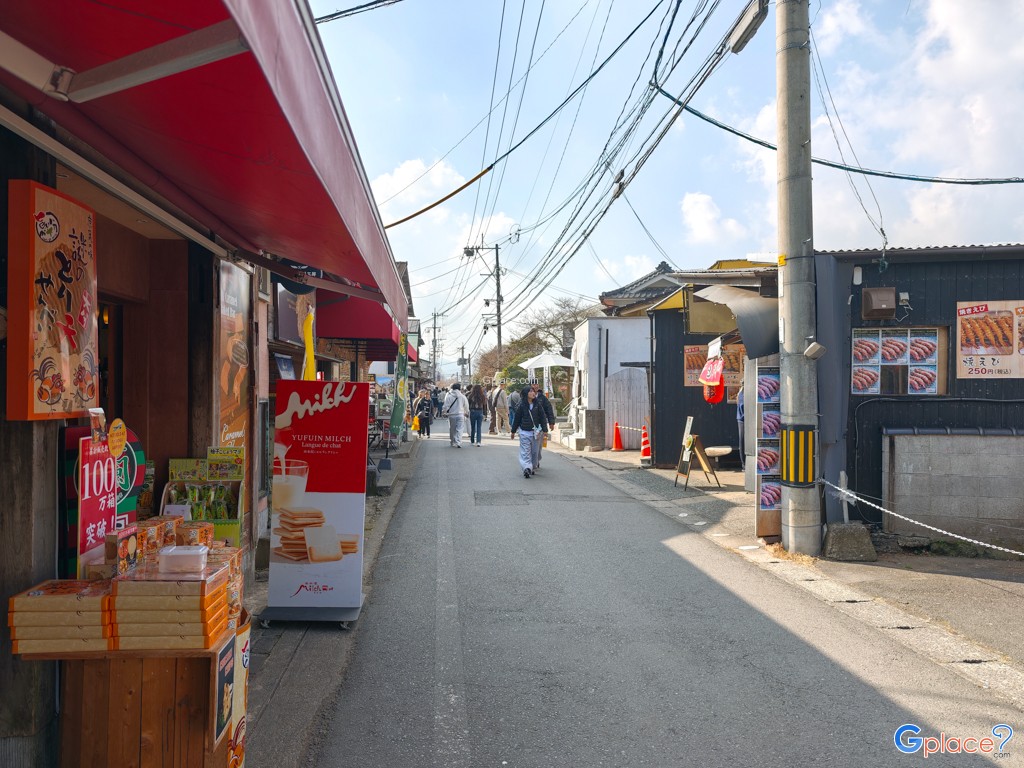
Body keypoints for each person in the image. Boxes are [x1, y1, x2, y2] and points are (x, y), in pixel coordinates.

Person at [510, 385, 548, 478]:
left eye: (533, 391)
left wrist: (545, 430)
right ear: (526, 394)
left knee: (535, 453)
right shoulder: (521, 405)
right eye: (530, 391)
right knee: (525, 452)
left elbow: (542, 417)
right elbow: (517, 419)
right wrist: (513, 431)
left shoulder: (537, 404)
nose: (533, 393)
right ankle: (527, 468)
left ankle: (532, 466)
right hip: (524, 432)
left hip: (536, 434)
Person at [521, 379, 555, 472]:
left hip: (539, 426)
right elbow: (519, 410)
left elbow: (549, 409)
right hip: (528, 427)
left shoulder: (542, 398)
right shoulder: (525, 398)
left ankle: (535, 461)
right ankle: (529, 464)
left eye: (537, 384)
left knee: (538, 447)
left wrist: (551, 422)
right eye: (533, 384)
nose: (535, 386)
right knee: (529, 447)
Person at [441, 383, 469, 447]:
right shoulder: (462, 396)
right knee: (460, 429)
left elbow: (445, 406)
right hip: (460, 415)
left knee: (452, 429)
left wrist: (444, 412)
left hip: (452, 415)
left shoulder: (449, 396)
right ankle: (458, 441)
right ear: (459, 388)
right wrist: (466, 412)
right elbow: (466, 406)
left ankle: (452, 441)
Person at [736, 385, 745, 470]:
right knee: (742, 441)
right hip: (743, 419)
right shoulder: (743, 393)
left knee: (742, 441)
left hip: (741, 418)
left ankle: (744, 464)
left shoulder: (740, 392)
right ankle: (744, 464)